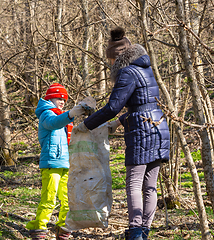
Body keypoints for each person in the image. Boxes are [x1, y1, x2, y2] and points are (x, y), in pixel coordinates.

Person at [73, 27, 170, 240]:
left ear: (116, 59)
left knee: (134, 183)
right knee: (150, 186)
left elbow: (113, 106)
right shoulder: (145, 69)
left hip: (143, 132)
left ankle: (135, 232)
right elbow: (143, 105)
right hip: (159, 127)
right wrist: (119, 123)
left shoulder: (127, 72)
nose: (108, 66)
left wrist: (86, 125)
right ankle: (144, 230)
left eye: (109, 62)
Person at [26, 83, 86, 240]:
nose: (62, 101)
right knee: (49, 198)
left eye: (64, 99)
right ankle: (39, 227)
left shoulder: (62, 116)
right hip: (52, 163)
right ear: (50, 98)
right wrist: (71, 113)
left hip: (65, 163)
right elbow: (54, 123)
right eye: (59, 98)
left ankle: (63, 227)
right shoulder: (46, 114)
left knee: (67, 199)